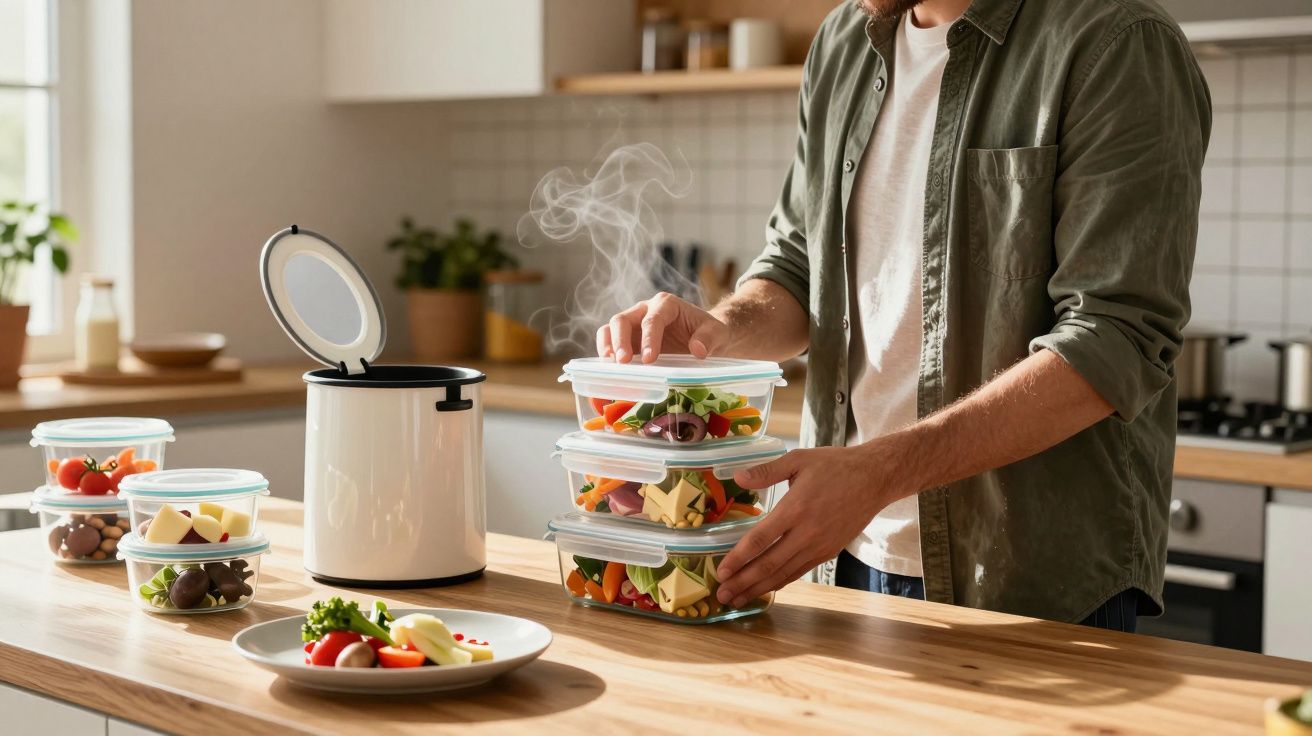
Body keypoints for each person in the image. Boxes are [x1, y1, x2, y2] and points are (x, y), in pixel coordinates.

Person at [598, 0, 1210, 631]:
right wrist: (721, 331)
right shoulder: (843, 41)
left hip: (1025, 579)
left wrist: (877, 475)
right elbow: (797, 266)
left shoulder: (1114, 42)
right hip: (839, 553)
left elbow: (1114, 340)